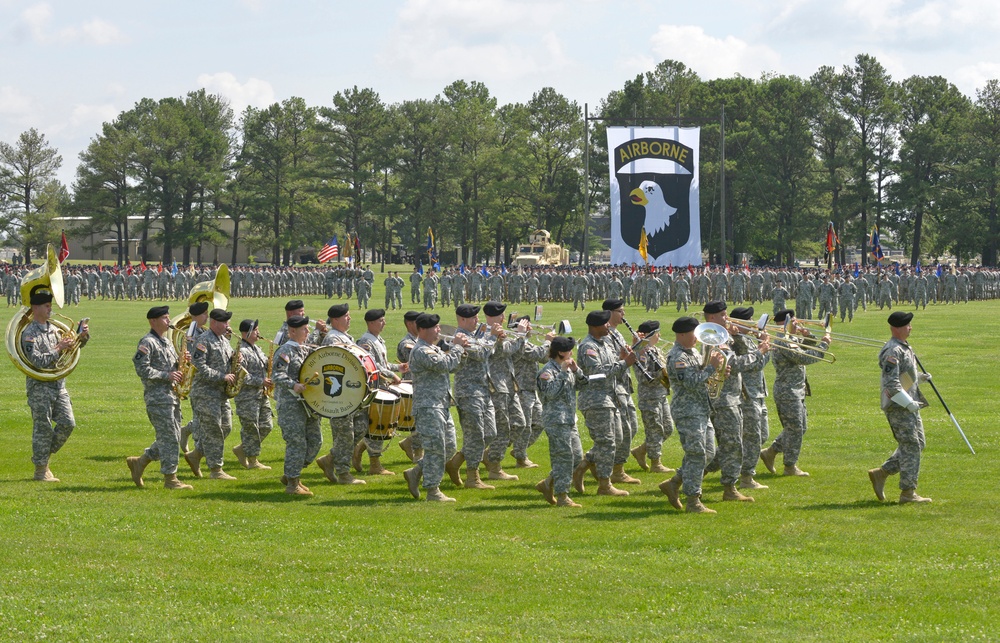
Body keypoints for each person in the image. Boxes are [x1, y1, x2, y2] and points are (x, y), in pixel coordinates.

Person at [659, 316, 727, 514]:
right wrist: (712, 367)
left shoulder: (693, 352)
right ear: (681, 334)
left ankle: (674, 483)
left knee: (708, 453)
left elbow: (704, 376)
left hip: (701, 409)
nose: (697, 338)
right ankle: (693, 501)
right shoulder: (678, 358)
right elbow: (691, 382)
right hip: (688, 412)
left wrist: (720, 372)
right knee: (697, 454)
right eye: (693, 334)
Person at [22, 289, 89, 482]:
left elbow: (72, 348)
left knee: (68, 423)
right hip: (40, 387)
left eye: (50, 305)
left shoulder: (53, 329)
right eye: (46, 306)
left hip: (59, 385)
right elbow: (36, 361)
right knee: (42, 428)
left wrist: (81, 337)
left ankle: (42, 457)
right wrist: (59, 348)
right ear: (35, 308)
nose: (50, 308)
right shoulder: (29, 333)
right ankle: (41, 470)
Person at [402, 313, 468, 502]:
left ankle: (416, 472)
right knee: (435, 448)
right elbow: (443, 364)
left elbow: (452, 367)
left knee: (449, 447)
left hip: (442, 404)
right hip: (429, 406)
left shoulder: (433, 348)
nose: (439, 330)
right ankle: (432, 490)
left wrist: (462, 351)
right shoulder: (421, 350)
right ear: (422, 330)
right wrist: (456, 346)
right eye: (435, 327)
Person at [868, 312, 932, 504]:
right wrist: (908, 403)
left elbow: (903, 375)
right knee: (911, 445)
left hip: (908, 403)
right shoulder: (893, 351)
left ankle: (882, 473)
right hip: (899, 406)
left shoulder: (903, 348)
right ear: (897, 328)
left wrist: (918, 377)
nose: (910, 328)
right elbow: (891, 384)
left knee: (917, 443)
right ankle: (908, 493)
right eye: (907, 325)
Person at [571, 310, 636, 497]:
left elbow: (612, 367)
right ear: (595, 326)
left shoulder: (605, 344)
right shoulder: (588, 347)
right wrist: (624, 364)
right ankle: (604, 484)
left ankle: (583, 466)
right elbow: (597, 373)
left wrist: (622, 358)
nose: (609, 326)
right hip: (595, 399)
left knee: (614, 440)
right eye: (605, 324)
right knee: (607, 441)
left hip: (609, 398)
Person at [759, 309, 831, 477]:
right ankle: (790, 466)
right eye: (794, 321)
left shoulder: (789, 337)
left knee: (799, 427)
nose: (798, 323)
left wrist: (808, 335)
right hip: (788, 391)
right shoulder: (783, 340)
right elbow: (804, 357)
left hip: (796, 389)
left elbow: (807, 345)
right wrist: (824, 345)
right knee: (795, 428)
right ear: (787, 321)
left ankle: (770, 452)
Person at [127, 306, 192, 489]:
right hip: (157, 398)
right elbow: (142, 368)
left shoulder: (167, 342)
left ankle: (140, 462)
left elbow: (172, 366)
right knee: (170, 437)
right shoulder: (147, 342)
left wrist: (182, 360)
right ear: (153, 321)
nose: (168, 321)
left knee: (172, 435)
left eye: (168, 317)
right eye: (164, 318)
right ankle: (171, 479)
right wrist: (166, 375)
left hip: (171, 396)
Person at [446, 304, 499, 490]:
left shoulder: (475, 336)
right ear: (461, 320)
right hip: (468, 393)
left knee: (490, 433)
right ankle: (472, 477)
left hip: (483, 390)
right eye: (473, 318)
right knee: (475, 435)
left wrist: (489, 335)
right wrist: (492, 335)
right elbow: (482, 353)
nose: (477, 320)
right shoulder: (460, 339)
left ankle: (456, 462)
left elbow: (486, 349)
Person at [313, 303, 367, 485]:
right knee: (345, 434)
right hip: (338, 393)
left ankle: (330, 459)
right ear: (335, 320)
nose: (349, 318)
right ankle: (343, 473)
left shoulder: (344, 336)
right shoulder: (333, 338)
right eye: (346, 316)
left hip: (351, 392)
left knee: (360, 426)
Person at [184, 308, 238, 480]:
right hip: (205, 393)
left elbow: (226, 360)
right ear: (214, 323)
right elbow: (199, 367)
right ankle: (216, 469)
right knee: (213, 430)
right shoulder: (203, 340)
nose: (227, 326)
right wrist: (223, 376)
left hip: (221, 393)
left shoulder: (223, 340)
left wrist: (236, 359)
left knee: (226, 427)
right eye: (225, 323)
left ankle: (196, 454)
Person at [353, 308, 406, 475]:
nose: (384, 323)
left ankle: (359, 451)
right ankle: (374, 465)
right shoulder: (366, 342)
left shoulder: (377, 340)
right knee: (377, 425)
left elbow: (383, 363)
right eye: (381, 321)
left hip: (380, 387)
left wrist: (398, 367)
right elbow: (372, 366)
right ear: (370, 323)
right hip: (373, 390)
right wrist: (392, 375)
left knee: (377, 425)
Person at [535, 336, 587, 507]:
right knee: (563, 458)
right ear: (561, 352)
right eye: (569, 350)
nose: (572, 353)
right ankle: (562, 495)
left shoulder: (568, 368)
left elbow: (583, 385)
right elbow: (549, 393)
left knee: (577, 456)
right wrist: (563, 373)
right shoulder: (547, 372)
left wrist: (576, 371)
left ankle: (548, 482)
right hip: (556, 420)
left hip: (569, 419)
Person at [271, 315, 320, 496]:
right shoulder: (286, 351)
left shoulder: (304, 349)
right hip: (291, 404)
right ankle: (292, 483)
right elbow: (277, 375)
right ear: (292, 331)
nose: (308, 331)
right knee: (297, 443)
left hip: (307, 405)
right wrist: (293, 385)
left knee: (315, 440)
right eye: (304, 329)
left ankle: (292, 474)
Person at [630, 320, 675, 474]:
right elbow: (643, 377)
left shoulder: (654, 350)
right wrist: (663, 372)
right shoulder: (640, 352)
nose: (660, 335)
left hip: (661, 395)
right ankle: (656, 463)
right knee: (654, 429)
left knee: (667, 428)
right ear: (650, 335)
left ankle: (641, 450)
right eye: (657, 333)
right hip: (649, 397)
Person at [231, 319, 273, 470]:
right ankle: (253, 460)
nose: (258, 333)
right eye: (255, 330)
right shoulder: (241, 352)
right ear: (247, 332)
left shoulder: (257, 349)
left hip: (261, 395)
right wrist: (261, 381)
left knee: (267, 425)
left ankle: (242, 449)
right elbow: (241, 375)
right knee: (251, 427)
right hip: (247, 397)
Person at [395, 311, 422, 463]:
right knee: (416, 422)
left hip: (418, 385)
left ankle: (408, 443)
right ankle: (418, 454)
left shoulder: (417, 340)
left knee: (417, 422)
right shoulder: (407, 343)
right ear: (411, 324)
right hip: (412, 386)